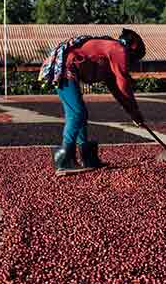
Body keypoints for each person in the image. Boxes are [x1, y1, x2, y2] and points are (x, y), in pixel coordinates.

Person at [39, 28, 147, 174]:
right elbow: (123, 84)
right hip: (64, 68)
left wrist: (133, 114)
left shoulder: (109, 55)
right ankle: (63, 159)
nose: (129, 64)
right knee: (77, 113)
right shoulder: (118, 49)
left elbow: (117, 90)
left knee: (79, 114)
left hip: (68, 68)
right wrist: (135, 111)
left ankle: (87, 157)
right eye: (132, 60)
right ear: (131, 50)